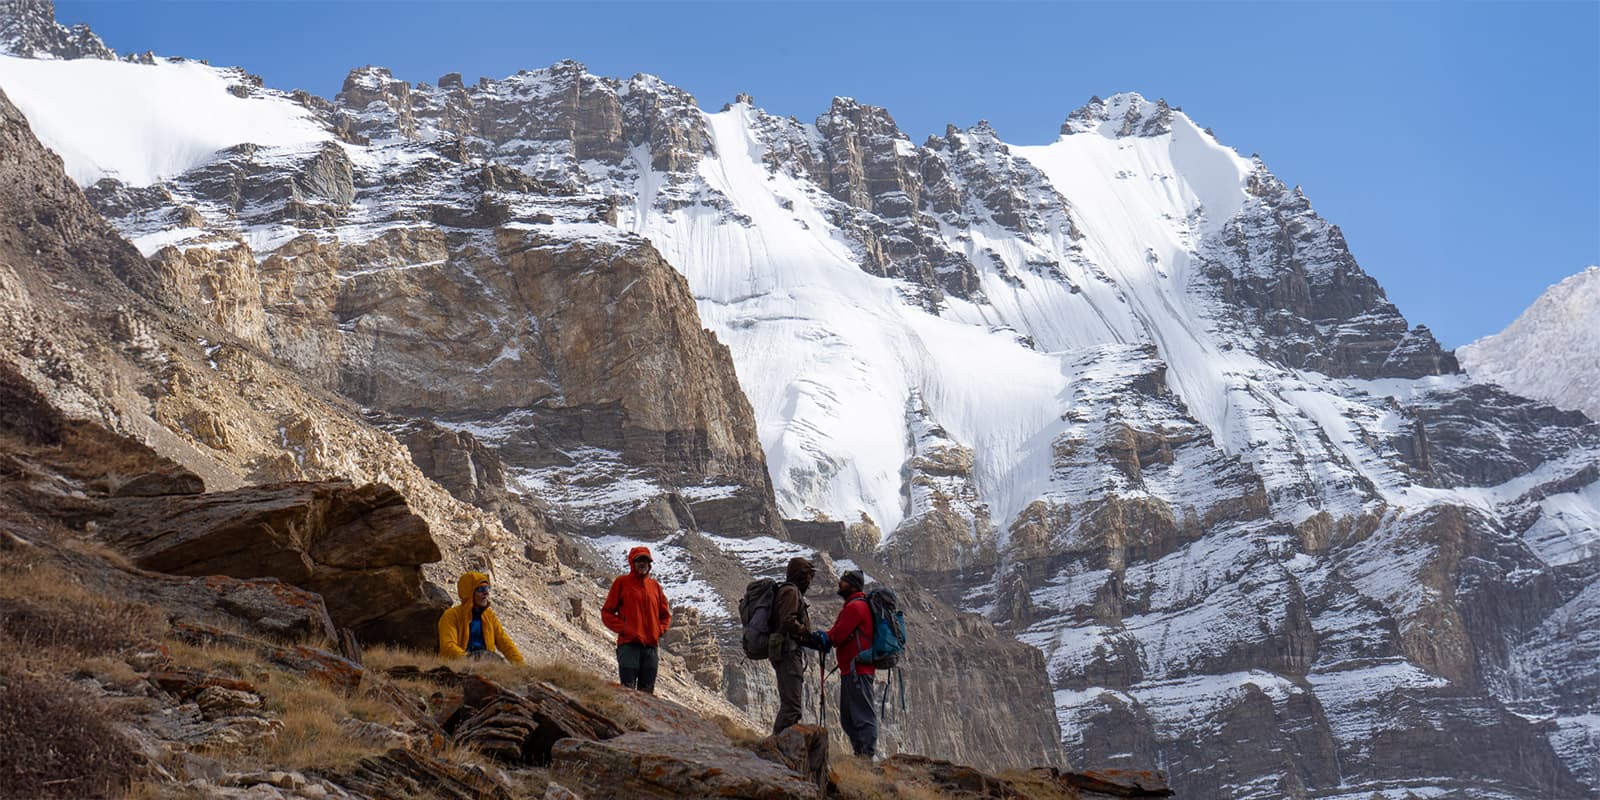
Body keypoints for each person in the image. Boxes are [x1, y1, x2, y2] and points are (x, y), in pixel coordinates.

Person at [816, 569, 877, 758]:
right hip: (853, 670)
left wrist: (821, 638)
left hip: (857, 670)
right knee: (850, 717)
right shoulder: (857, 605)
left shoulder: (855, 608)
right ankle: (861, 754)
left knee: (861, 716)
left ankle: (865, 756)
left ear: (852, 585)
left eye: (843, 581)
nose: (839, 584)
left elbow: (838, 635)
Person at [601, 545, 672, 693]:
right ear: (632, 563)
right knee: (628, 691)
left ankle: (644, 717)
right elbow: (607, 613)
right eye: (639, 560)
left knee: (647, 691)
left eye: (645, 560)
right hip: (628, 647)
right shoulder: (622, 583)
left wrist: (658, 630)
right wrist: (625, 629)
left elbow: (665, 615)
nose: (642, 563)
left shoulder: (655, 587)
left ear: (650, 564)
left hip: (650, 648)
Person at [770, 556, 818, 734]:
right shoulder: (791, 592)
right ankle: (777, 748)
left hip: (787, 652)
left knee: (791, 705)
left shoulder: (789, 591)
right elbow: (788, 620)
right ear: (801, 575)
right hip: (788, 654)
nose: (810, 581)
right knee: (792, 707)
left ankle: (778, 747)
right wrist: (805, 632)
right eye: (808, 576)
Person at [438, 571, 524, 664]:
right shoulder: (451, 615)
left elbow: (505, 643)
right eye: (481, 589)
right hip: (462, 666)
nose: (486, 593)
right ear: (469, 593)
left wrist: (520, 665)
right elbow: (447, 646)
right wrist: (470, 660)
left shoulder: (489, 615)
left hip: (488, 664)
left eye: (487, 588)